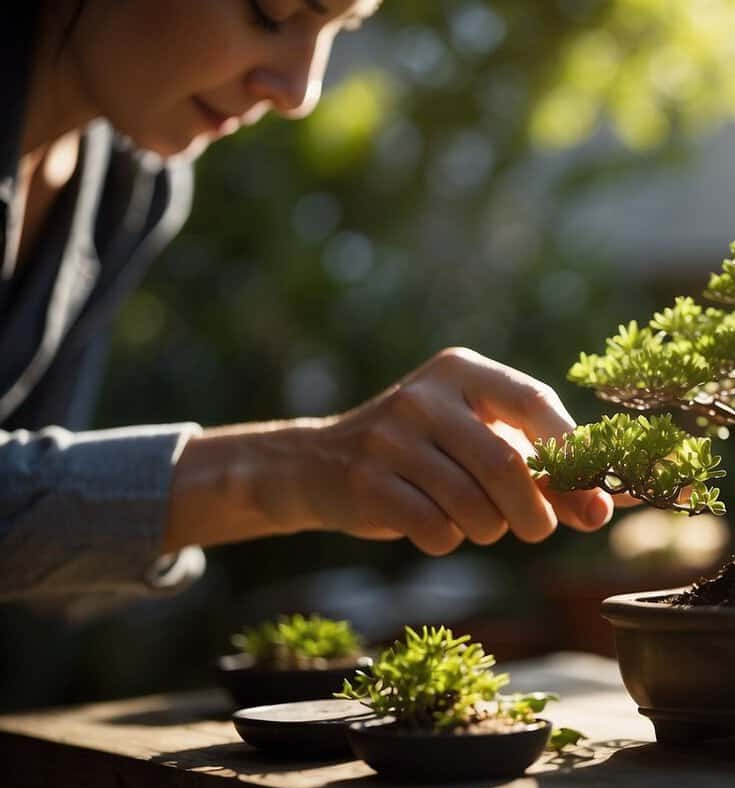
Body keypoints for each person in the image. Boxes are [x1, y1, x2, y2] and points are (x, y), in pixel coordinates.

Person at [0, 0, 618, 600]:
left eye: (338, 26)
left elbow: (29, 513)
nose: (300, 92)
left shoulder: (127, 187)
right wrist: (294, 472)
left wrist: (333, 472)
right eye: (272, 13)